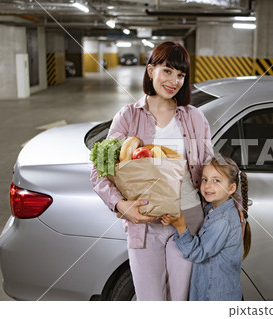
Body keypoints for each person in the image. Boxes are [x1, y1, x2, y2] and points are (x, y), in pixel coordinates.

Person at [90, 41, 213, 301]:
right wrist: (122, 206)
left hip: (188, 220)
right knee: (150, 301)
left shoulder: (195, 118)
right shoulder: (128, 117)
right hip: (144, 224)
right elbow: (100, 172)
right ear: (150, 71)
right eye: (167, 71)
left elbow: (209, 169)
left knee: (181, 300)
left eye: (180, 75)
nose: (174, 81)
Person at [161, 156, 251, 301]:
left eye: (216, 180)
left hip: (215, 297)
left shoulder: (222, 221)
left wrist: (180, 226)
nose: (208, 185)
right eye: (204, 179)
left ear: (231, 188)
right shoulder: (212, 209)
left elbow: (198, 253)